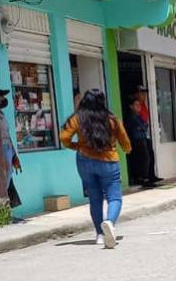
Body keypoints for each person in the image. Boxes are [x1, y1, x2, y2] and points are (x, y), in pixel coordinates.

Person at [60, 89, 132, 249]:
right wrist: (127, 149)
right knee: (114, 197)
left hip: (84, 160)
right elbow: (124, 140)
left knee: (95, 198)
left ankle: (99, 234)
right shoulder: (112, 119)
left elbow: (64, 138)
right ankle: (109, 223)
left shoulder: (77, 118)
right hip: (108, 161)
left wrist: (76, 146)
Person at [123, 98, 158, 188]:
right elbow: (141, 126)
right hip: (137, 139)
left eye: (139, 105)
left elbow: (144, 126)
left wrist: (141, 127)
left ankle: (150, 176)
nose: (139, 107)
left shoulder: (138, 116)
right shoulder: (131, 116)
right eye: (136, 105)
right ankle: (143, 178)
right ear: (131, 106)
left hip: (143, 138)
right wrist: (141, 127)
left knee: (149, 156)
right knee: (143, 158)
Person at [0, 89, 22, 210]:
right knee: (4, 180)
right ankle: (3, 209)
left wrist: (14, 154)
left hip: (7, 148)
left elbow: (7, 135)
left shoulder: (2, 114)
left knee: (8, 178)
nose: (3, 99)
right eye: (1, 97)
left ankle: (6, 210)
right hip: (1, 149)